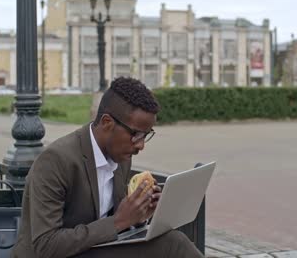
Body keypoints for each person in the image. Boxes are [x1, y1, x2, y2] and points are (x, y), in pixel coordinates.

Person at [11, 77, 203, 258]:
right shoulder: (55, 161)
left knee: (172, 242)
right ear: (107, 123)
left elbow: (114, 222)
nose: (141, 145)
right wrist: (119, 221)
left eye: (146, 135)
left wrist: (139, 215)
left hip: (94, 249)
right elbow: (45, 245)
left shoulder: (121, 157)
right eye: (136, 135)